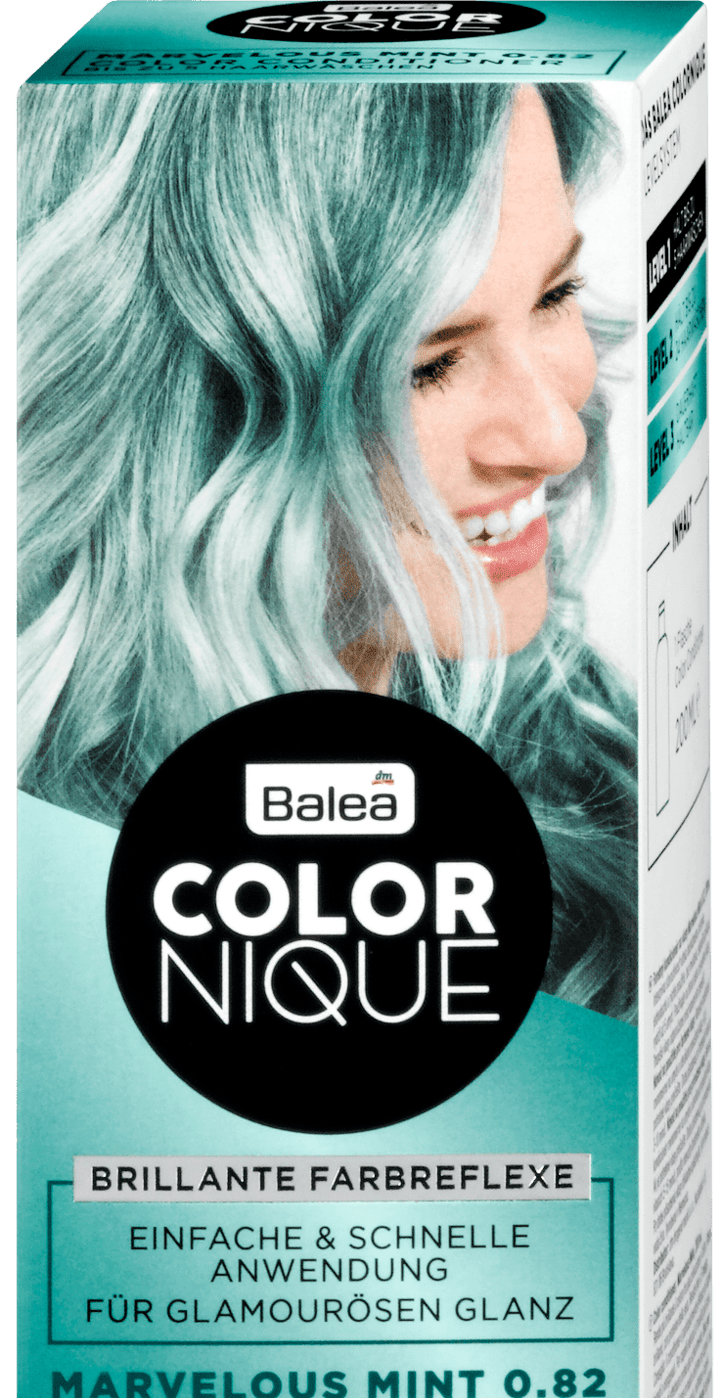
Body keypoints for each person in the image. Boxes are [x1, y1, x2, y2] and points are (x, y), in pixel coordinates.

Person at [16, 79, 636, 1020]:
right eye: (428, 364)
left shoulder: (594, 771)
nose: (558, 439)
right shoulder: (53, 925)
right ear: (178, 410)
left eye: (555, 295)